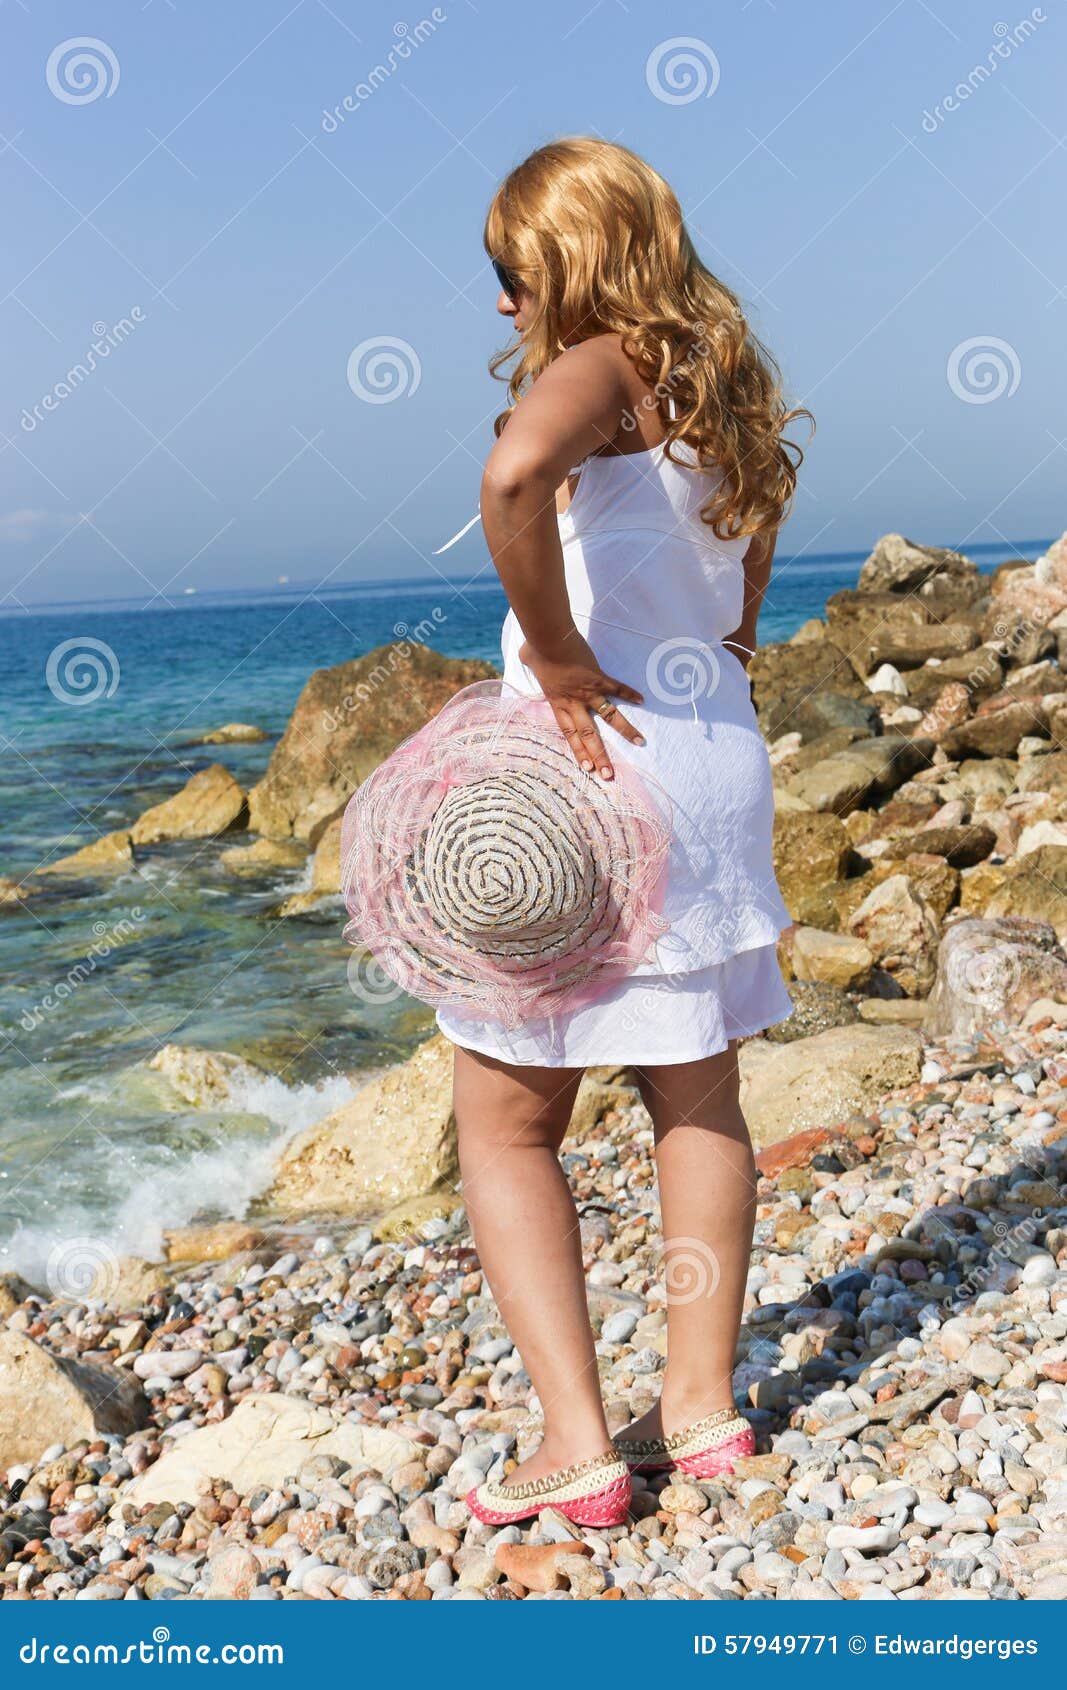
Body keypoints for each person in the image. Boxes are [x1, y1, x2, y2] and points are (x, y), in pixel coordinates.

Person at [437, 137, 810, 1526]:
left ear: (571, 260)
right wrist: (737, 627)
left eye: (508, 270)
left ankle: (578, 1442)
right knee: (696, 1089)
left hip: (596, 777)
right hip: (713, 761)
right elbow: (753, 538)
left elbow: (515, 479)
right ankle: (704, 1409)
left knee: (506, 1117)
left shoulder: (590, 368)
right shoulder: (726, 383)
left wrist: (558, 649)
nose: (498, 303)